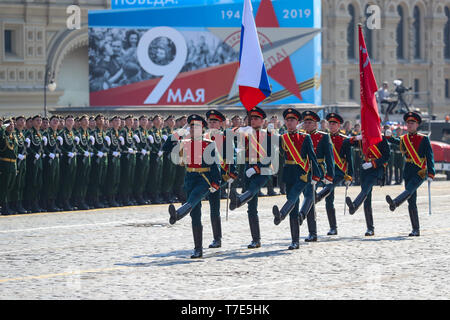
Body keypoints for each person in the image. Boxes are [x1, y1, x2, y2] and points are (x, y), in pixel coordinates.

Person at [165, 114, 221, 259]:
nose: (193, 129)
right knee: (195, 215)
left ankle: (177, 215)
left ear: (202, 128)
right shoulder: (185, 142)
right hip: (190, 178)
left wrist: (216, 182)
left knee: (194, 199)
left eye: (196, 126)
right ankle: (198, 249)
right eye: (190, 126)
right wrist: (180, 131)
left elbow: (215, 165)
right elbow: (166, 147)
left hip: (204, 179)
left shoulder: (209, 143)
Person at [272, 108, 321, 250]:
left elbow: (312, 157)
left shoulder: (305, 138)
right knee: (293, 208)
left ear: (297, 122)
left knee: (292, 197)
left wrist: (316, 175)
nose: (289, 122)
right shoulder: (282, 138)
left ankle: (281, 214)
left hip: (303, 173)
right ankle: (295, 241)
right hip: (289, 173)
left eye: (292, 120)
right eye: (287, 120)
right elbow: (278, 154)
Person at [229, 107, 274, 249]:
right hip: (248, 168)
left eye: (256, 118)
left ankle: (239, 200)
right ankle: (256, 239)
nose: (253, 120)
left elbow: (270, 156)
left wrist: (256, 168)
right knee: (252, 207)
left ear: (262, 121)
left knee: (253, 190)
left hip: (263, 170)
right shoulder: (246, 134)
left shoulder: (268, 135)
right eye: (251, 118)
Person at [385, 112, 435, 236]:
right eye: (408, 123)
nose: (410, 125)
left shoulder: (424, 139)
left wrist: (431, 173)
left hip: (420, 171)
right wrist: (388, 137)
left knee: (410, 189)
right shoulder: (404, 139)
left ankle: (395, 202)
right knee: (411, 201)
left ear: (417, 124)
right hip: (408, 170)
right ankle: (415, 229)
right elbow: (396, 141)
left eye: (412, 123)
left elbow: (430, 156)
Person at [314, 113, 353, 236]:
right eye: (330, 123)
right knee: (329, 200)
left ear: (339, 125)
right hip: (327, 170)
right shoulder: (323, 137)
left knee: (328, 188)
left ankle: (317, 197)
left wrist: (350, 176)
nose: (331, 125)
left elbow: (349, 159)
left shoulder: (344, 139)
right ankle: (333, 227)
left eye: (334, 123)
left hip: (339, 172)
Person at [298, 110, 335, 242]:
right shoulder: (300, 136)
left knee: (309, 196)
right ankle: (312, 233)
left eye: (310, 122)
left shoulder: (324, 136)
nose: (307, 125)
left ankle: (301, 215)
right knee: (310, 200)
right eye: (305, 122)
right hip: (304, 170)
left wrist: (330, 175)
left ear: (316, 124)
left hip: (318, 170)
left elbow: (330, 157)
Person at [346, 130, 390, 236]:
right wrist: (355, 138)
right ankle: (370, 228)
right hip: (365, 169)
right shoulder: (364, 139)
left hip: (376, 169)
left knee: (366, 188)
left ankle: (355, 205)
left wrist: (373, 163)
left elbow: (386, 156)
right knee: (366, 198)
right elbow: (346, 143)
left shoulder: (381, 139)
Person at [204, 110, 237, 249]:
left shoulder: (226, 137)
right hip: (204, 176)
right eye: (210, 121)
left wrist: (231, 173)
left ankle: (217, 238)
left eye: (215, 122)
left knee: (214, 207)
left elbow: (232, 156)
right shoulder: (203, 137)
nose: (212, 124)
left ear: (220, 124)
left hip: (219, 176)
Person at [42, 115, 64, 212]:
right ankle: (47, 203)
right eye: (53, 120)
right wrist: (48, 153)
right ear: (50, 123)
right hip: (49, 161)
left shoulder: (58, 134)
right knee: (49, 181)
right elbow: (43, 147)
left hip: (56, 160)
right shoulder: (46, 134)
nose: (55, 122)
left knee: (55, 181)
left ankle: (53, 202)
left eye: (57, 121)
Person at [58, 115, 78, 211]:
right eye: (68, 120)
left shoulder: (72, 133)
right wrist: (67, 153)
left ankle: (68, 200)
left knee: (71, 181)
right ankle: (64, 201)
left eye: (72, 120)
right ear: (65, 122)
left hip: (73, 160)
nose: (70, 122)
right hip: (65, 160)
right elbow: (59, 147)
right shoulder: (62, 133)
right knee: (65, 182)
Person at [24, 115, 45, 213]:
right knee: (32, 182)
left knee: (38, 183)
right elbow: (27, 147)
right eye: (37, 120)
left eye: (40, 120)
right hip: (32, 160)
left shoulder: (40, 133)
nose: (39, 122)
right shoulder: (30, 132)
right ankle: (29, 204)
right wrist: (33, 154)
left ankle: (36, 203)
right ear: (32, 122)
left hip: (39, 160)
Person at [73, 115, 93, 211]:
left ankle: (83, 199)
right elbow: (75, 145)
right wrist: (82, 152)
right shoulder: (78, 133)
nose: (86, 121)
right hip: (81, 159)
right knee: (80, 180)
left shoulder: (87, 133)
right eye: (84, 120)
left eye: (87, 120)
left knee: (86, 180)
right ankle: (78, 200)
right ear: (80, 122)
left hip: (87, 159)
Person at [10, 115, 29, 214]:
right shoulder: (14, 133)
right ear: (16, 122)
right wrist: (18, 156)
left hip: (23, 162)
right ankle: (14, 204)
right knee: (16, 184)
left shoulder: (22, 134)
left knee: (21, 184)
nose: (22, 122)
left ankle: (19, 203)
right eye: (20, 120)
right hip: (16, 161)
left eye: (24, 120)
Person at [0, 119, 18, 215]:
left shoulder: (13, 137)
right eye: (9, 124)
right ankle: (4, 206)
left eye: (12, 124)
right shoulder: (3, 136)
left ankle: (7, 205)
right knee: (4, 187)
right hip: (5, 164)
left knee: (10, 186)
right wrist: (3, 127)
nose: (11, 126)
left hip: (13, 164)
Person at [118, 115, 137, 206]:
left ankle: (128, 197)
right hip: (126, 157)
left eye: (132, 120)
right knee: (126, 178)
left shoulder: (131, 131)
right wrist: (126, 148)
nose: (131, 121)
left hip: (131, 156)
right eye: (129, 120)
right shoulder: (123, 131)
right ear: (125, 121)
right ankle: (124, 198)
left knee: (131, 178)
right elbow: (121, 144)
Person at [133, 115, 151, 205]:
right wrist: (141, 150)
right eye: (143, 120)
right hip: (140, 156)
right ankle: (138, 196)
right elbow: (134, 144)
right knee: (139, 177)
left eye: (146, 120)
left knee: (145, 177)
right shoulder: (137, 131)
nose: (145, 121)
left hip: (146, 156)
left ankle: (142, 195)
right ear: (139, 121)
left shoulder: (146, 132)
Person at [105, 115, 123, 207]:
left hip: (117, 158)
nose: (117, 122)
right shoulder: (109, 134)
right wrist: (112, 152)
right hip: (112, 158)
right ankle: (109, 199)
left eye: (119, 121)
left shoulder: (118, 133)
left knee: (116, 179)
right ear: (111, 123)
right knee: (111, 179)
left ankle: (114, 197)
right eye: (115, 121)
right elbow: (105, 148)